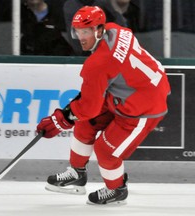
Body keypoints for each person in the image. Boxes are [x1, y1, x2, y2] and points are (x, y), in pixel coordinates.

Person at [37, 6, 170, 205]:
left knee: (106, 150)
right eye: (78, 32)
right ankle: (76, 173)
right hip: (130, 92)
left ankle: (116, 190)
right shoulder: (117, 30)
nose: (81, 37)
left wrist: (60, 120)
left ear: (99, 30)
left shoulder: (98, 64)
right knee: (85, 123)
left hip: (144, 106)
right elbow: (94, 100)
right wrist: (70, 114)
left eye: (86, 32)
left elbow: (88, 106)